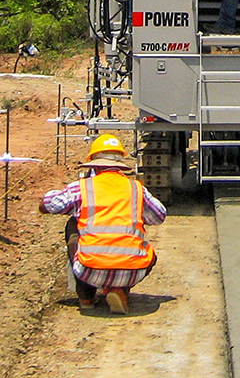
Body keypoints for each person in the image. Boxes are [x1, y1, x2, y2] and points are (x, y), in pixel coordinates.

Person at [39, 134, 166, 314]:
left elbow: (47, 205)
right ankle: (119, 290)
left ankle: (86, 297)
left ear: (94, 165)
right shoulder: (137, 189)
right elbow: (159, 216)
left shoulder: (82, 187)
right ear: (120, 164)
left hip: (89, 271)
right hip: (132, 272)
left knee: (73, 224)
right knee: (141, 238)